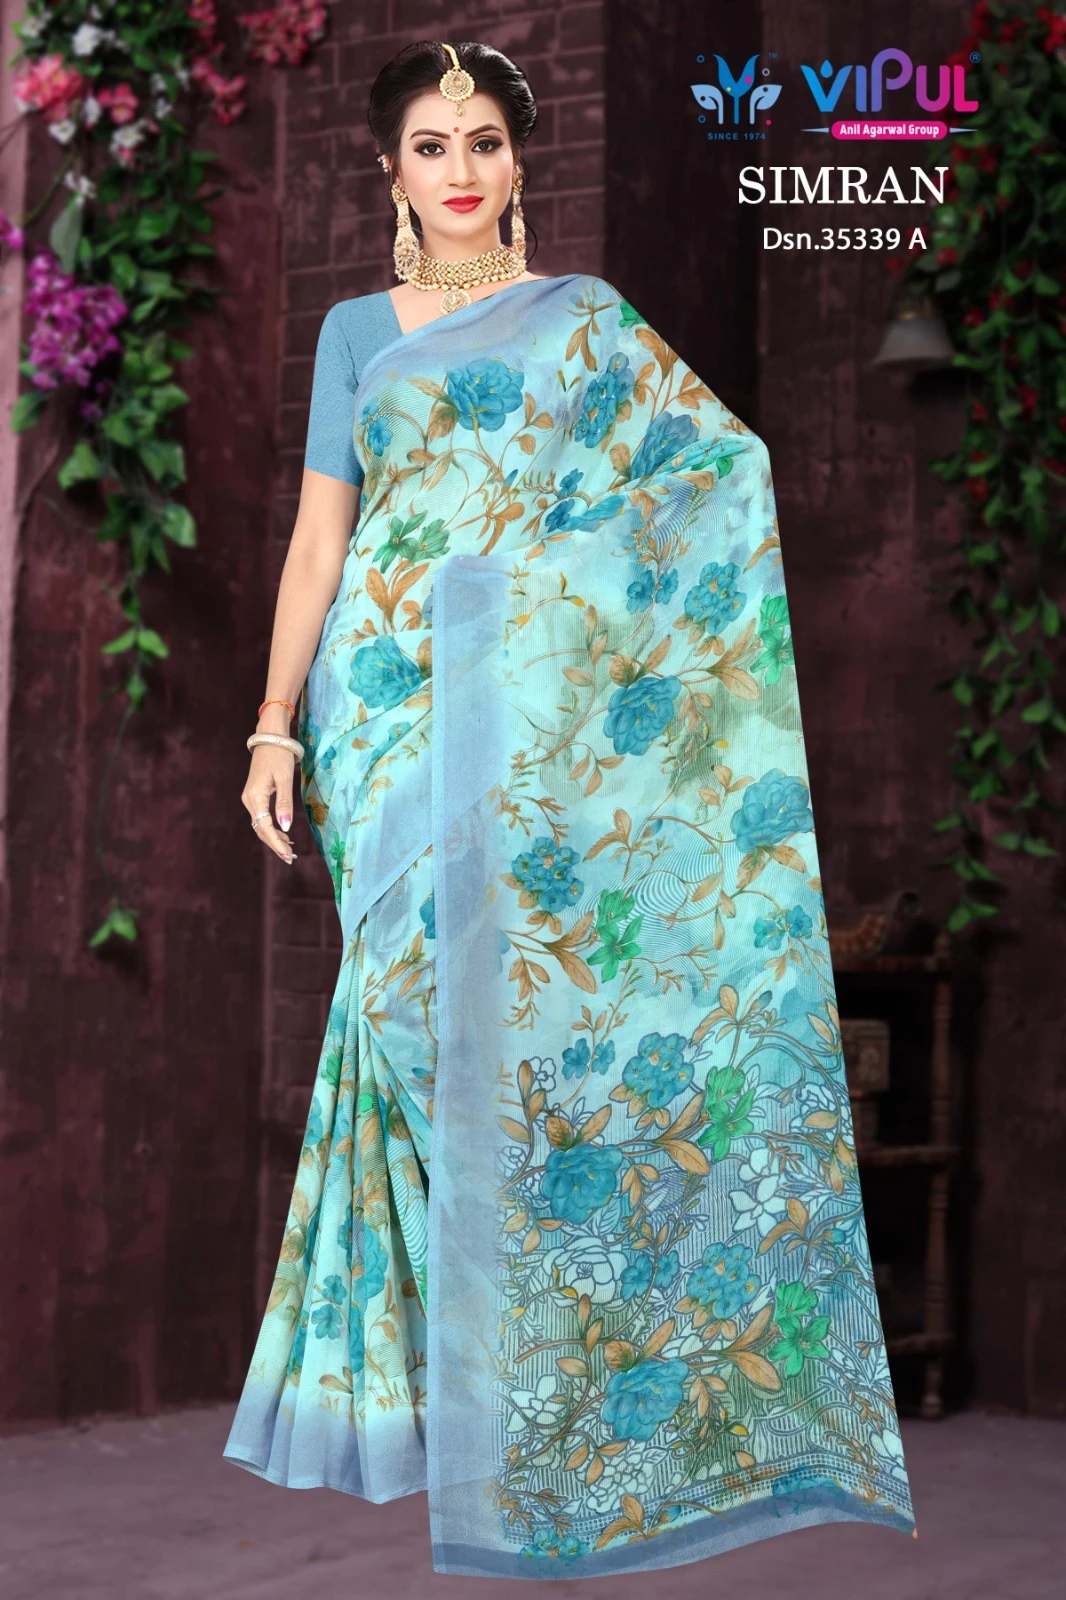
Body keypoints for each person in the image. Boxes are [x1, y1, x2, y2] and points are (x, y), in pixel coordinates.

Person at [222, 38, 916, 1580]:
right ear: (390, 172)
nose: (459, 170)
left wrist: (527, 593)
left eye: (483, 140)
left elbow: (708, 474)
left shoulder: (585, 321)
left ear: (518, 158)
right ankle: (479, 1393)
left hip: (527, 707)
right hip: (379, 708)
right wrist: (274, 724)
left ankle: (578, 1389)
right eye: (429, 146)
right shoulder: (352, 331)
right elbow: (322, 544)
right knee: (405, 1017)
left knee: (522, 1032)